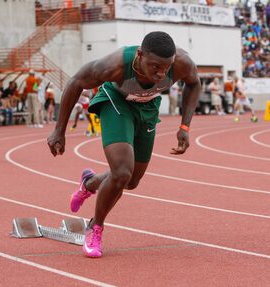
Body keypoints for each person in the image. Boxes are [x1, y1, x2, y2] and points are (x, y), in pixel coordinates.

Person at [47, 31, 201, 258]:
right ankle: (95, 227)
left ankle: (89, 183)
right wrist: (59, 130)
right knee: (121, 173)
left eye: (166, 68)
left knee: (131, 181)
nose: (161, 74)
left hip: (147, 108)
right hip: (115, 102)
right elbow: (76, 81)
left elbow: (194, 84)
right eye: (155, 67)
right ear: (140, 55)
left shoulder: (181, 63)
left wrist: (185, 126)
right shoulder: (115, 65)